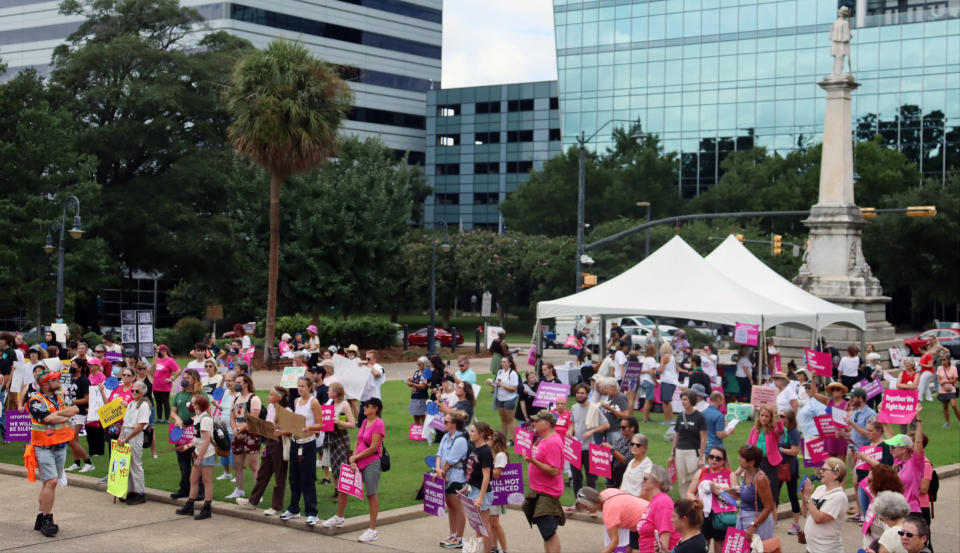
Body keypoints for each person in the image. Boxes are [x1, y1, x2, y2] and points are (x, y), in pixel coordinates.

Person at [322, 397, 385, 544]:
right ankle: (339, 517)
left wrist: (355, 457)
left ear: (375, 408)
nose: (364, 408)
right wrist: (354, 458)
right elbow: (358, 441)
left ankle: (372, 530)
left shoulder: (379, 424)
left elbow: (374, 447)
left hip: (371, 462)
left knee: (371, 494)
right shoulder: (364, 422)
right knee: (343, 488)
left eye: (367, 406)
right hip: (357, 462)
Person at [25, 367, 79, 537]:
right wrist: (65, 415)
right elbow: (47, 419)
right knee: (52, 482)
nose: (58, 381)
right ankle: (48, 519)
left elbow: (75, 410)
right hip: (43, 447)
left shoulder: (61, 396)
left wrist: (58, 414)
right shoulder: (34, 401)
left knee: (48, 484)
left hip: (61, 445)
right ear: (46, 384)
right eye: (55, 379)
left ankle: (41, 516)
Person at [277, 377, 324, 525]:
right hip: (295, 442)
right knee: (294, 477)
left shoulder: (314, 402)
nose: (300, 389)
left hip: (308, 444)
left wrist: (308, 428)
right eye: (298, 386)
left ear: (309, 387)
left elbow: (320, 424)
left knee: (307, 478)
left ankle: (312, 512)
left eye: (303, 386)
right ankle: (294, 508)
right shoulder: (296, 401)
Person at [237, 386, 290, 516]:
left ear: (279, 397)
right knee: (263, 473)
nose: (269, 396)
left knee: (279, 476)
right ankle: (252, 502)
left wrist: (279, 430)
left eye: (272, 395)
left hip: (279, 444)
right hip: (269, 442)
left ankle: (276, 507)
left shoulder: (286, 410)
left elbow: (289, 430)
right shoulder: (271, 407)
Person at [522, 409, 565, 553]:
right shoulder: (543, 439)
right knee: (546, 533)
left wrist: (533, 461)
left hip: (547, 492)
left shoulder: (552, 442)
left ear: (546, 423)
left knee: (550, 533)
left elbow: (554, 471)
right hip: (540, 490)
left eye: (537, 421)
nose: (534, 423)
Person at [685, 446, 736, 553]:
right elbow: (690, 492)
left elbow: (734, 498)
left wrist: (719, 491)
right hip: (703, 515)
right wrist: (695, 501)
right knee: (703, 545)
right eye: (711, 457)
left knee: (719, 545)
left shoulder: (730, 474)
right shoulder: (701, 472)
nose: (714, 460)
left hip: (722, 516)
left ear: (724, 460)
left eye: (718, 458)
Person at [174, 394, 216, 520]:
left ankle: (207, 508)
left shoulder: (205, 419)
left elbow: (207, 440)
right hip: (199, 452)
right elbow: (198, 438)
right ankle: (190, 505)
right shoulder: (197, 417)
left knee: (207, 481)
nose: (190, 405)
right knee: (193, 479)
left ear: (197, 405)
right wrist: (188, 446)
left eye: (192, 403)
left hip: (206, 454)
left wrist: (199, 458)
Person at [575, 487, 650, 553]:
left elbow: (614, 542)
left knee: (637, 550)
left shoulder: (609, 513)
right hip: (647, 510)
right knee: (629, 548)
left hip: (646, 521)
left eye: (586, 507)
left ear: (591, 504)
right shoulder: (607, 492)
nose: (587, 510)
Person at [435, 409, 470, 549]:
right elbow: (439, 454)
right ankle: (453, 534)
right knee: (450, 506)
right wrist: (438, 470)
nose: (443, 423)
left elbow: (451, 460)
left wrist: (441, 471)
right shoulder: (446, 436)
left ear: (454, 424)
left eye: (446, 422)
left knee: (458, 507)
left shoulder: (460, 440)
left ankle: (459, 538)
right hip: (444, 475)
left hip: (456, 477)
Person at [170, 369, 206, 500]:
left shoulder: (201, 394)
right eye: (183, 377)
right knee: (183, 462)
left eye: (187, 378)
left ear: (194, 380)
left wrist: (189, 420)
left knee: (196, 462)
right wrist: (177, 419)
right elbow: (173, 411)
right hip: (181, 433)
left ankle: (200, 491)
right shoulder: (179, 394)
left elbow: (206, 412)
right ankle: (184, 488)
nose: (184, 380)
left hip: (195, 433)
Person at [801, 456, 849, 553]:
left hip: (827, 550)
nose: (820, 472)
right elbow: (806, 514)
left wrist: (808, 497)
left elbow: (819, 518)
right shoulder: (820, 489)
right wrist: (804, 496)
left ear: (836, 474)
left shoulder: (839, 497)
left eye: (824, 469)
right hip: (811, 549)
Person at [886, 405, 926, 516]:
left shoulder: (915, 463)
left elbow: (918, 442)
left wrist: (918, 418)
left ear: (904, 449)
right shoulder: (898, 461)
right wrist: (883, 415)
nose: (891, 449)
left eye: (893, 446)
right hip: (896, 511)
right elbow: (890, 436)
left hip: (911, 512)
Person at [227, 373, 262, 500]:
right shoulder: (236, 399)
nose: (236, 385)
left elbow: (253, 419)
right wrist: (235, 430)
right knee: (238, 464)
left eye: (239, 382)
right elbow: (232, 417)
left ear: (246, 383)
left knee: (253, 464)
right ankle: (239, 490)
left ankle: (258, 493)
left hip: (251, 434)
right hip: (238, 434)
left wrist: (239, 429)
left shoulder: (254, 399)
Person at [731, 445, 774, 542]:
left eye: (742, 457)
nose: (739, 459)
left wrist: (753, 525)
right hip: (743, 519)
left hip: (758, 523)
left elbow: (769, 507)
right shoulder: (746, 473)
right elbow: (748, 495)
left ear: (751, 462)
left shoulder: (760, 479)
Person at [118, 380, 151, 505]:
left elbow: (140, 426)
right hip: (126, 432)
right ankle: (131, 489)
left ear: (142, 392)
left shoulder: (144, 405)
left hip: (135, 435)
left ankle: (140, 492)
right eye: (132, 390)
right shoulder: (131, 403)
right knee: (127, 463)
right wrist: (121, 436)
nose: (134, 393)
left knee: (136, 464)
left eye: (137, 391)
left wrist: (126, 438)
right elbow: (125, 421)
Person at [465, 421, 495, 553]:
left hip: (481, 493)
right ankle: (480, 550)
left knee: (484, 526)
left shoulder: (485, 451)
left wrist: (480, 498)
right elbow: (472, 471)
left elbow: (486, 475)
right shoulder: (474, 448)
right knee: (477, 526)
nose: (470, 433)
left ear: (481, 434)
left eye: (473, 431)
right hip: (473, 490)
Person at [568, 382, 603, 500]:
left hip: (589, 448)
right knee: (576, 477)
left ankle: (591, 503)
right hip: (575, 448)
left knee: (590, 479)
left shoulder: (594, 408)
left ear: (588, 394)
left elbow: (606, 424)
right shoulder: (573, 407)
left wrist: (592, 431)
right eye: (578, 393)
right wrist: (570, 430)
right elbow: (573, 423)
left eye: (582, 393)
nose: (579, 395)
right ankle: (579, 502)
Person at [637, 465, 680, 553]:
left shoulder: (663, 503)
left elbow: (665, 536)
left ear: (657, 482)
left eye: (645, 479)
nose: (642, 481)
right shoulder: (655, 501)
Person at [63, 358, 95, 473]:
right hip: (70, 412)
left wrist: (73, 401)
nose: (71, 366)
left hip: (79, 412)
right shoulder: (70, 379)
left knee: (71, 439)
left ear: (80, 367)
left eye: (74, 365)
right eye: (71, 364)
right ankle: (76, 463)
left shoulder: (84, 381)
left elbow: (87, 399)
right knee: (74, 440)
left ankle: (89, 463)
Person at [672, 390, 707, 496]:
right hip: (680, 451)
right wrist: (672, 453)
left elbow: (703, 439)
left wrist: (701, 457)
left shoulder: (699, 417)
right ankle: (684, 501)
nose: (683, 402)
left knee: (693, 478)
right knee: (682, 479)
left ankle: (694, 500)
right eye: (682, 399)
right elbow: (676, 435)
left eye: (685, 399)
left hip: (693, 451)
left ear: (691, 400)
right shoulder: (680, 416)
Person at [775, 409, 803, 535]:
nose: (780, 418)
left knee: (792, 495)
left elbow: (794, 451)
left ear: (789, 419)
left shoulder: (794, 432)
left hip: (790, 467)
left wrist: (779, 449)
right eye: (779, 416)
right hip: (779, 466)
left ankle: (796, 524)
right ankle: (773, 520)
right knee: (774, 494)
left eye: (783, 416)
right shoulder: (781, 431)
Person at [745, 405, 783, 497]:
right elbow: (749, 445)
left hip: (770, 463)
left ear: (770, 418)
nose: (764, 418)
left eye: (766, 416)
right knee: (756, 489)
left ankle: (773, 510)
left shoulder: (773, 430)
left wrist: (777, 417)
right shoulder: (755, 429)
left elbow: (781, 430)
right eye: (762, 415)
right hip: (757, 462)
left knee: (771, 490)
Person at [487, 430, 511, 553]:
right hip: (491, 491)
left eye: (489, 438)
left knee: (494, 522)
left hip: (496, 492)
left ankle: (505, 549)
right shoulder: (493, 453)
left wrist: (485, 466)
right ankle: (494, 547)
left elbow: (496, 474)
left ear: (495, 441)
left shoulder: (500, 455)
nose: (487, 440)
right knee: (492, 522)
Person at [491, 355, 519, 445]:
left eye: (504, 362)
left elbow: (514, 389)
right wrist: (491, 384)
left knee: (510, 420)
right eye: (502, 362)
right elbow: (497, 385)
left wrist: (502, 385)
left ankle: (513, 440)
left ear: (509, 363)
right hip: (500, 398)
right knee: (503, 419)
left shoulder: (513, 373)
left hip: (509, 399)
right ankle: (502, 439)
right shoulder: (500, 372)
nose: (502, 364)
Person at [606, 416, 639, 489]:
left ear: (632, 428)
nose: (621, 429)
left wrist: (612, 450)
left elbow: (625, 461)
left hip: (626, 476)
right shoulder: (621, 439)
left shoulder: (637, 443)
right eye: (620, 427)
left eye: (623, 427)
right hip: (615, 474)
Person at [151, 344, 180, 423]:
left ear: (164, 351)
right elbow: (153, 367)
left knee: (165, 402)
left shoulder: (170, 360)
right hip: (156, 385)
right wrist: (156, 353)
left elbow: (178, 370)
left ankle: (166, 419)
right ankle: (159, 418)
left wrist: (172, 378)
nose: (158, 353)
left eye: (159, 351)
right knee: (158, 403)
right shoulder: (159, 359)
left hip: (165, 386)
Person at [598, 377, 630, 443]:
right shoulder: (609, 397)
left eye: (606, 388)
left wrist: (610, 408)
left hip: (617, 430)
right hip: (609, 430)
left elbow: (626, 416)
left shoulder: (621, 397)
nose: (605, 390)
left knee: (617, 450)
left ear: (613, 387)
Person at [621, 433, 653, 497]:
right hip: (622, 497)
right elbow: (624, 483)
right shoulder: (631, 462)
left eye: (638, 445)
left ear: (645, 448)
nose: (634, 446)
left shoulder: (648, 465)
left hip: (635, 501)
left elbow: (646, 490)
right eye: (632, 444)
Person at [935, 353, 959, 427]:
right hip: (942, 390)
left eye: (944, 359)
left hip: (951, 389)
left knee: (954, 405)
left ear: (948, 360)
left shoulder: (953, 368)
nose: (942, 361)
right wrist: (943, 385)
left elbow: (955, 379)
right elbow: (938, 380)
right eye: (941, 359)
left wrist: (946, 382)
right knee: (945, 407)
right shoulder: (939, 368)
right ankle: (947, 423)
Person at [659, 343, 680, 425]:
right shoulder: (673, 358)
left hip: (666, 380)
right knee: (668, 401)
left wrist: (657, 368)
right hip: (673, 380)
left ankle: (667, 421)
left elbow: (661, 370)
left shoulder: (664, 357)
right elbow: (677, 369)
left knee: (665, 402)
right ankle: (671, 419)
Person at [406, 356, 430, 425]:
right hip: (414, 396)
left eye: (420, 364)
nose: (418, 366)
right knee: (415, 417)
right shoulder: (416, 372)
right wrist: (412, 380)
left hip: (422, 398)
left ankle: (423, 434)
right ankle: (418, 435)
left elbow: (423, 386)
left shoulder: (427, 373)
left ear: (424, 364)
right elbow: (416, 381)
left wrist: (412, 384)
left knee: (423, 418)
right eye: (417, 364)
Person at [638, 344, 658, 423]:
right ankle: (645, 418)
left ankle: (647, 417)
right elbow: (652, 372)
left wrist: (646, 371)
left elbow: (639, 370)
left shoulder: (643, 359)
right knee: (648, 400)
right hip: (649, 381)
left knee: (648, 399)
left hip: (642, 380)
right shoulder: (652, 360)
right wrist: (655, 381)